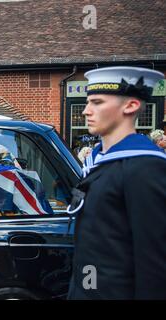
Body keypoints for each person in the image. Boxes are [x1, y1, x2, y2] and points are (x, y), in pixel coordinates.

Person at [67, 66, 166, 299]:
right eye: (88, 102)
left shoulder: (146, 167)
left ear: (130, 106)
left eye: (97, 102)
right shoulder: (100, 161)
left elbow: (155, 264)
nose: (86, 111)